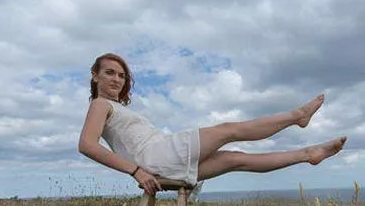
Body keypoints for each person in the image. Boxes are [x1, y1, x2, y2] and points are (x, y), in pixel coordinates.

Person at [78, 53, 346, 194]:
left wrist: (140, 168)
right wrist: (135, 171)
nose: (116, 79)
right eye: (109, 73)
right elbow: (87, 145)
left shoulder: (114, 107)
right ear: (95, 75)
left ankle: (308, 154)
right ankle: (297, 116)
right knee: (229, 130)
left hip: (159, 159)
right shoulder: (99, 104)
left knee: (234, 160)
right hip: (154, 158)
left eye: (121, 75)